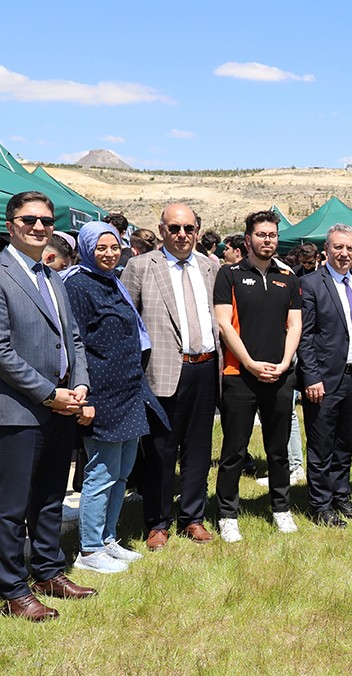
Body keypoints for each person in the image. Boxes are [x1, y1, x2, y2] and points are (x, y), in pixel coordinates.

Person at [0, 191, 95, 622]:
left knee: (51, 498)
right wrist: (47, 392)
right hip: (18, 411)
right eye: (29, 220)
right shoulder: (2, 273)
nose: (39, 227)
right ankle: (12, 589)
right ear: (11, 225)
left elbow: (72, 339)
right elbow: (2, 352)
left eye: (46, 220)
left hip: (62, 405)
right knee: (12, 507)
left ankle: (48, 571)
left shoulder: (53, 276)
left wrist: (79, 384)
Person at [63, 222, 168, 573]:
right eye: (101, 248)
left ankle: (107, 539)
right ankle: (89, 550)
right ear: (86, 249)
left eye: (114, 247)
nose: (109, 254)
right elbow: (75, 346)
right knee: (101, 473)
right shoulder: (78, 285)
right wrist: (84, 397)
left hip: (129, 391)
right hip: (101, 395)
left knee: (122, 473)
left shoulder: (113, 281)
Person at [122, 203, 221, 549]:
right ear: (162, 230)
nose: (182, 235)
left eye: (188, 229)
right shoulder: (140, 266)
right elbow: (127, 322)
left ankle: (193, 517)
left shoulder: (210, 267)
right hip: (162, 371)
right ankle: (158, 522)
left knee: (199, 448)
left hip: (205, 368)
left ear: (197, 231)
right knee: (160, 451)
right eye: (174, 228)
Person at [212, 210, 303, 542]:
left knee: (278, 450)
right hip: (239, 375)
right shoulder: (229, 275)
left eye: (272, 235)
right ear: (248, 238)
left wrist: (285, 362)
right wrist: (250, 363)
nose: (268, 240)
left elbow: (295, 324)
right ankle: (227, 515)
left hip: (279, 376)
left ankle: (281, 509)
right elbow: (224, 324)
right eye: (262, 234)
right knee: (234, 451)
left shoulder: (288, 277)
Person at [297, 224, 352, 528]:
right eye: (338, 247)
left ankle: (341, 494)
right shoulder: (310, 284)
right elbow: (304, 337)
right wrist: (311, 377)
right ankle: (321, 504)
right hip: (324, 381)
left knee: (344, 442)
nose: (344, 253)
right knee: (321, 445)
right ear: (326, 249)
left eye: (350, 248)